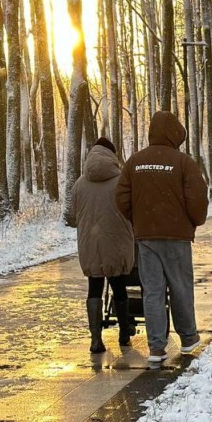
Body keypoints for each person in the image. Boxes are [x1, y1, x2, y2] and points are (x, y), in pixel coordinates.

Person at [116, 112, 209, 365]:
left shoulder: (135, 162)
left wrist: (139, 219)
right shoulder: (183, 163)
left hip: (146, 238)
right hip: (177, 237)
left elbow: (121, 198)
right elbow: (198, 199)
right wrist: (193, 221)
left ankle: (157, 348)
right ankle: (188, 337)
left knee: (153, 292)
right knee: (180, 287)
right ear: (175, 134)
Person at [64, 137, 135, 354]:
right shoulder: (122, 181)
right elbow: (131, 210)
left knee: (94, 287)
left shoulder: (79, 184)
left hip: (90, 244)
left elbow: (73, 216)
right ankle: (124, 332)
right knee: (119, 285)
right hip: (116, 242)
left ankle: (96, 339)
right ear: (112, 156)